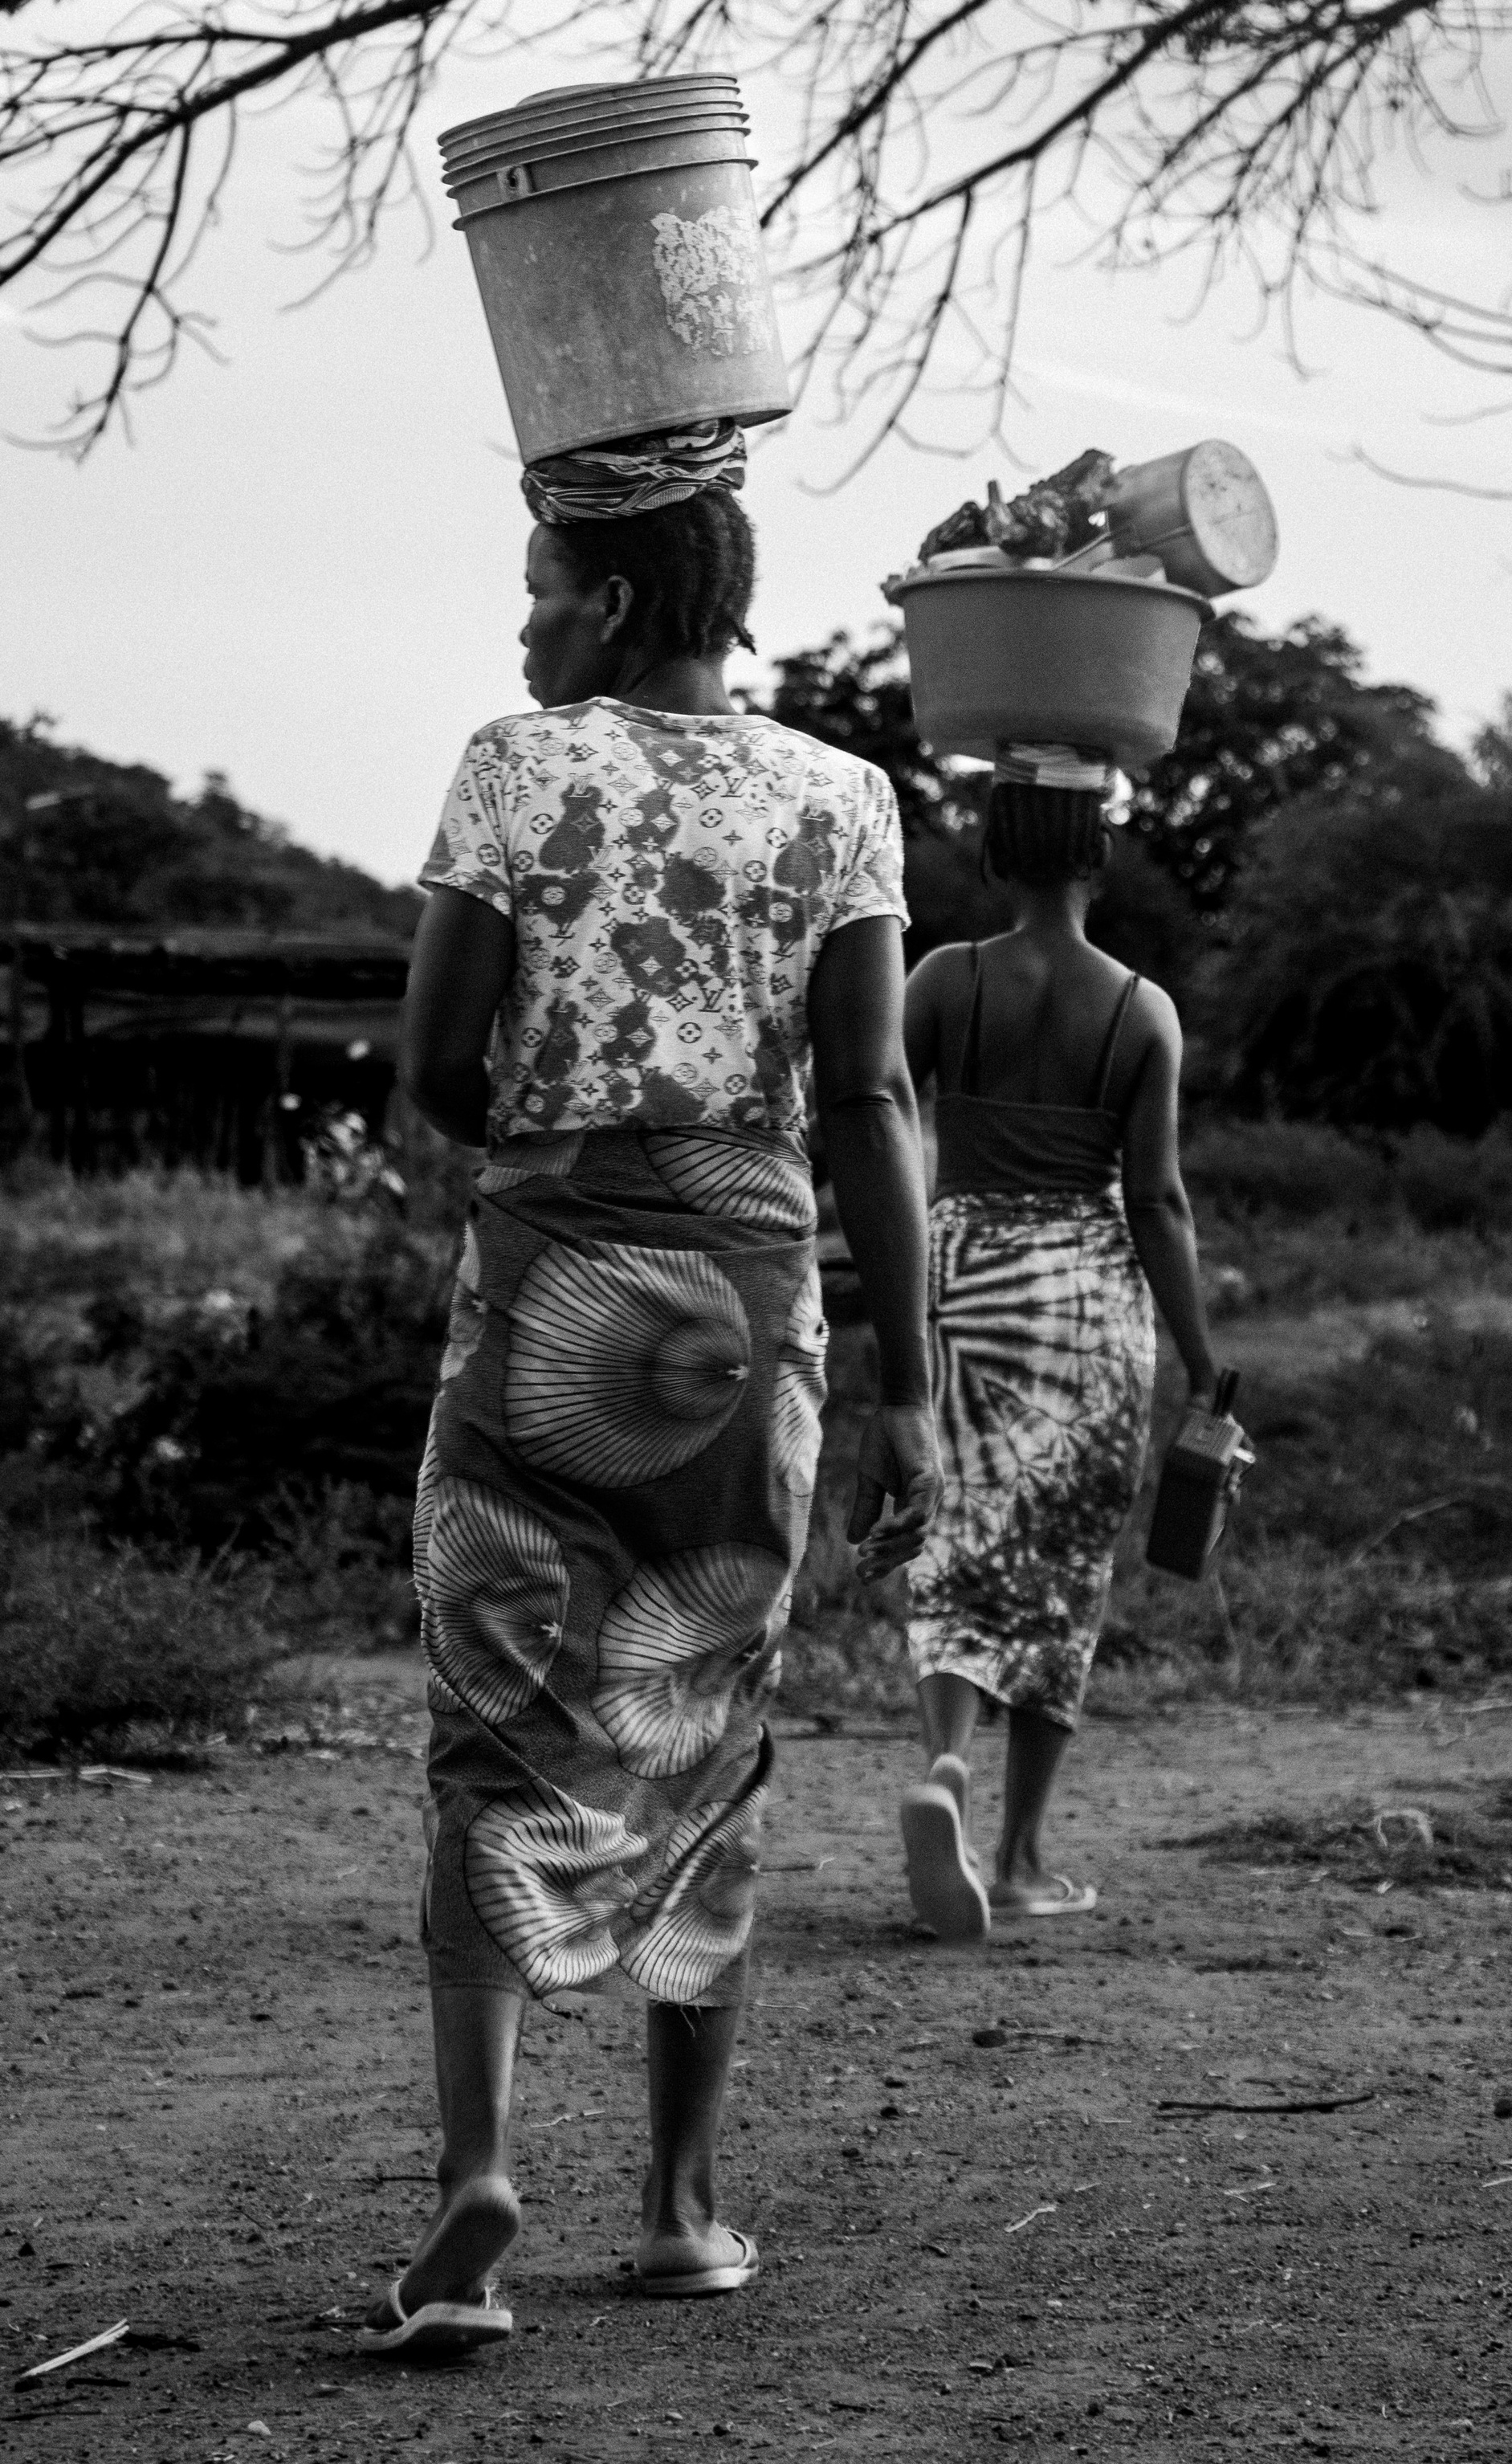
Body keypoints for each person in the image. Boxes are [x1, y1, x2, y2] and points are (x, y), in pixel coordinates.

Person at [365, 430, 939, 2356]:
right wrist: (910, 1384)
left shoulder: (517, 770)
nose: (523, 627)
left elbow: (437, 1058)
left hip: (541, 1291)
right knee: (700, 1726)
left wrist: (543, 1172)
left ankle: (476, 2182)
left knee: (495, 1726)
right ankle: (684, 2212)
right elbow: (865, 1099)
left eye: (540, 589)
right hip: (739, 1314)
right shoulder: (844, 797)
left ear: (611, 597)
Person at [895, 742, 1221, 1939]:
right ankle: (1024, 1857)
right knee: (1061, 1569)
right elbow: (1161, 1201)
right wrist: (1197, 1353)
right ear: (1100, 854)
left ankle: (943, 1761)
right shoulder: (1141, 1010)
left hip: (964, 1275)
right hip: (1089, 1297)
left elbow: (876, 1119)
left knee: (961, 1533)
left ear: (992, 848)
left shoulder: (944, 980)